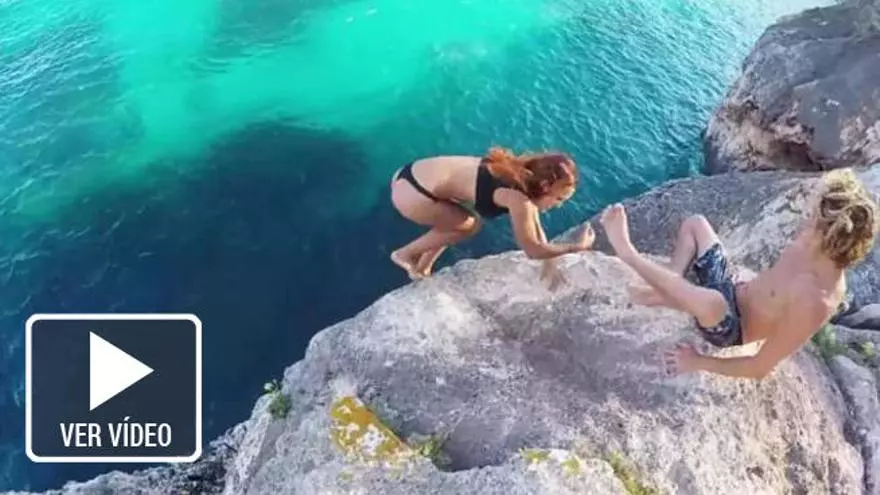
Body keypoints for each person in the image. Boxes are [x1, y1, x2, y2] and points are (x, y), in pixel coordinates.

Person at [598, 168, 878, 379]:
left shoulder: (816, 301)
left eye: (813, 220)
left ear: (828, 238)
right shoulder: (806, 247)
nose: (805, 221)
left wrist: (697, 362)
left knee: (711, 302)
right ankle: (668, 286)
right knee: (696, 225)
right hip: (732, 287)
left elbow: (759, 367)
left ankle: (628, 253)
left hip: (731, 326)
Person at [389, 146, 595, 280]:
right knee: (468, 225)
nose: (559, 205)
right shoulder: (517, 198)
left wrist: (550, 266)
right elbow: (533, 250)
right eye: (559, 199)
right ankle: (404, 254)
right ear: (544, 186)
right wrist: (576, 247)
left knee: (458, 222)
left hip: (409, 176)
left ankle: (422, 270)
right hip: (413, 195)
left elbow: (535, 227)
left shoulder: (519, 174)